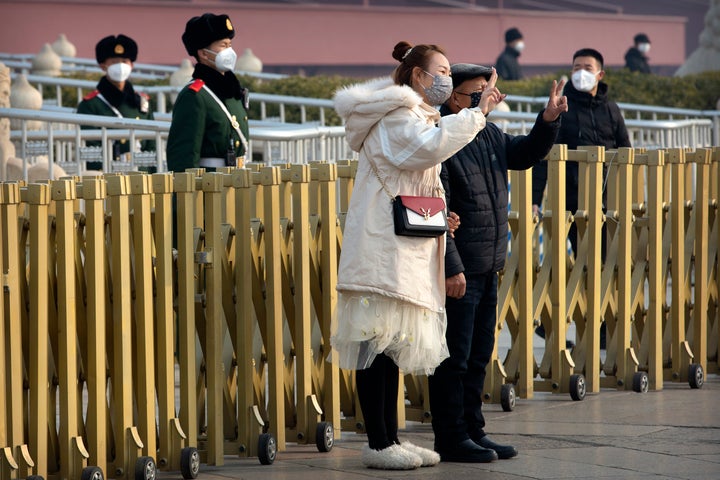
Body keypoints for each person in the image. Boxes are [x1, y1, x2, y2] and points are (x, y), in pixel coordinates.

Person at [330, 41, 488, 471]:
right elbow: (426, 150)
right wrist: (475, 115)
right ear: (418, 76)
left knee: (392, 345)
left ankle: (392, 439)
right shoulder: (397, 115)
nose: (446, 80)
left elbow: (412, 180)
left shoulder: (411, 115)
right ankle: (378, 443)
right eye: (440, 71)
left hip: (400, 244)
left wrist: (440, 218)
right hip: (382, 249)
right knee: (377, 344)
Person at [429, 63, 565, 463]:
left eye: (487, 91)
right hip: (461, 266)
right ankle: (450, 436)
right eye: (477, 92)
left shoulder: (485, 131)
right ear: (454, 98)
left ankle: (473, 430)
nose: (487, 97)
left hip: (489, 262)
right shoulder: (442, 138)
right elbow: (440, 210)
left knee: (478, 353)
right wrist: (451, 266)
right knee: (453, 357)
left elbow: (522, 154)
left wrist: (548, 121)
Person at [531, 48, 631, 348]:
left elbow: (625, 151)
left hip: (606, 206)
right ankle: (550, 322)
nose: (581, 71)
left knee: (601, 265)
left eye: (587, 66)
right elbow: (542, 154)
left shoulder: (612, 110)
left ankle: (599, 328)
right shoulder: (561, 107)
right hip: (569, 203)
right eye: (576, 66)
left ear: (600, 74)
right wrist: (536, 198)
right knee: (564, 263)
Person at [167, 12, 249, 173]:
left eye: (230, 45)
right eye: (223, 45)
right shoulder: (194, 96)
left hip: (238, 181)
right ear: (203, 53)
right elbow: (184, 156)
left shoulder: (233, 90)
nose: (230, 51)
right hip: (211, 185)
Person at [76, 34, 154, 171]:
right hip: (109, 177)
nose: (120, 66)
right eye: (114, 62)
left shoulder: (142, 102)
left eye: (124, 61)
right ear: (103, 66)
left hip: (142, 176)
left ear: (132, 65)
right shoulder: (90, 105)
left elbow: (152, 147)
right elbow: (92, 153)